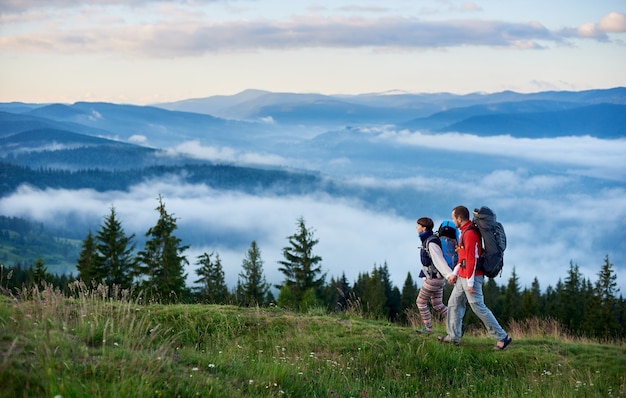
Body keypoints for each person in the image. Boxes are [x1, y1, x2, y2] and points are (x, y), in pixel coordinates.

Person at [438, 206, 512, 350]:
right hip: (463, 276)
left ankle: (502, 337)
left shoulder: (470, 234)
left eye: (454, 218)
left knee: (479, 308)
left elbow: (472, 259)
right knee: (454, 303)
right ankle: (453, 336)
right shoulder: (465, 231)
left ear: (459, 218)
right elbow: (463, 258)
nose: (454, 221)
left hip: (471, 277)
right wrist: (455, 273)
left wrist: (471, 283)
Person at [415, 217, 453, 334]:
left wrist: (449, 275)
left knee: (420, 302)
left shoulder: (431, 242)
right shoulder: (430, 240)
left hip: (433, 279)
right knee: (438, 305)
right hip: (437, 278)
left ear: (424, 227)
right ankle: (457, 322)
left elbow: (439, 260)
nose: (416, 227)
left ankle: (428, 329)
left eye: (418, 225)